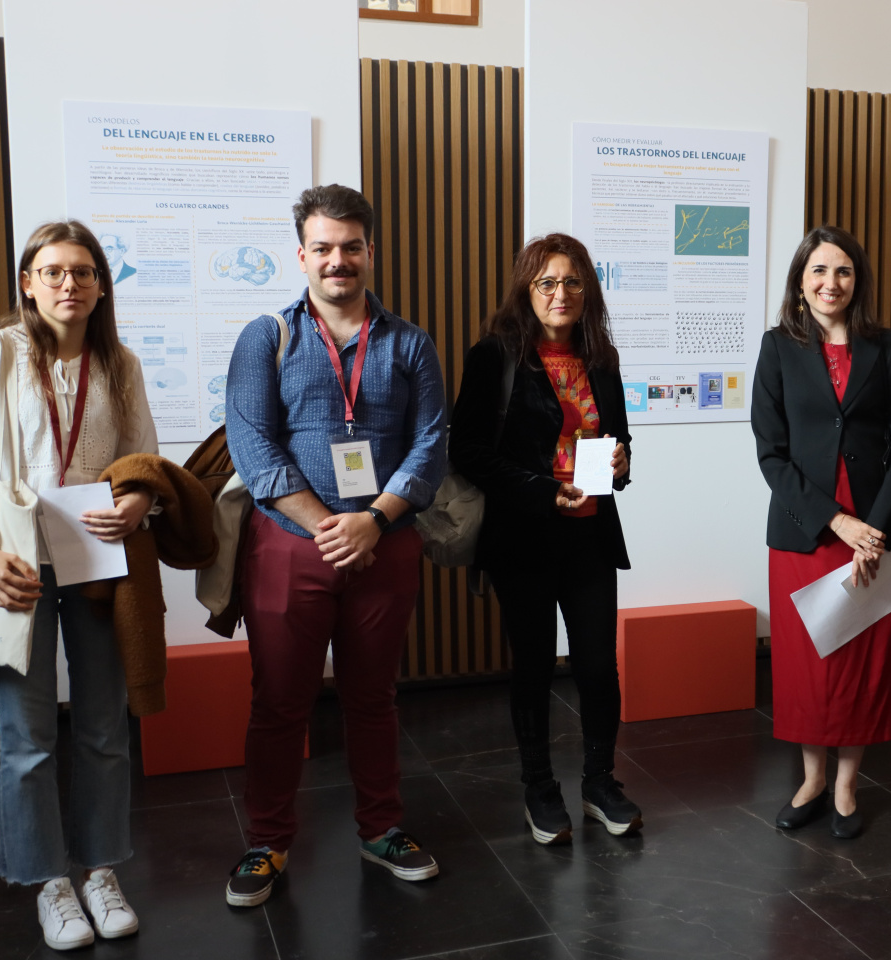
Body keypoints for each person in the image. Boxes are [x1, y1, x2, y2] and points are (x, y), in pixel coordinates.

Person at [0, 220, 159, 950]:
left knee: (103, 729)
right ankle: (46, 881)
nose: (70, 284)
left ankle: (98, 869)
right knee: (27, 738)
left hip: (94, 562)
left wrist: (137, 501)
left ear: (101, 285)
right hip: (17, 565)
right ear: (28, 281)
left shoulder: (118, 362)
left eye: (85, 272)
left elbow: (142, 459)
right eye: (55, 271)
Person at [222, 184, 448, 906]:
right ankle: (267, 840)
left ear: (370, 252)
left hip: (386, 547)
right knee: (280, 702)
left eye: (351, 247)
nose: (338, 260)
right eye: (323, 247)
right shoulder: (268, 336)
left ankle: (381, 829)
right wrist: (329, 523)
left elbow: (433, 443)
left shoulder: (410, 343)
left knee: (373, 698)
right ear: (302, 255)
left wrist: (372, 521)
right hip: (290, 547)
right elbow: (252, 445)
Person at [448, 233, 639, 845]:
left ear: (588, 292)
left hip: (590, 536)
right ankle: (539, 788)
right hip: (525, 537)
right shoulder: (494, 357)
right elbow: (469, 451)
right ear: (526, 290)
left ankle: (600, 783)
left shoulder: (601, 358)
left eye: (573, 283)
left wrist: (622, 465)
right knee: (531, 665)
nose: (561, 294)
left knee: (597, 668)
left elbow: (620, 444)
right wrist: (539, 489)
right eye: (548, 283)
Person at [752, 225, 891, 840]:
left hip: (876, 526)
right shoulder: (778, 348)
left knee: (863, 659)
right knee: (806, 661)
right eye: (820, 271)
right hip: (808, 528)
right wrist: (839, 521)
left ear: (858, 281)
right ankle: (811, 779)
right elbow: (771, 455)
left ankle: (848, 784)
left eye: (844, 271)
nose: (832, 283)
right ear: (801, 283)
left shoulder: (887, 347)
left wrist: (873, 528)